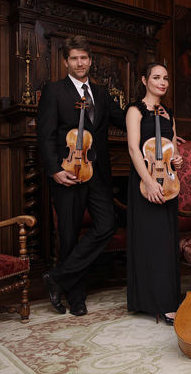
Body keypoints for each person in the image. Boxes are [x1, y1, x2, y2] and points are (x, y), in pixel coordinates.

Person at [37, 35, 126, 316]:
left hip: (97, 173)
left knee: (106, 225)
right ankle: (76, 297)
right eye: (74, 58)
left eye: (84, 58)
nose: (79, 62)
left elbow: (125, 120)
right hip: (68, 172)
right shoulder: (54, 91)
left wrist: (157, 122)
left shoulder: (101, 93)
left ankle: (59, 276)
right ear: (66, 61)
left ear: (90, 61)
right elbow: (45, 135)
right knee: (69, 234)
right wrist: (54, 170)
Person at [125, 62, 183, 325]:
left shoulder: (168, 113)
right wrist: (148, 183)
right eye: (157, 77)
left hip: (168, 182)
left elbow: (173, 148)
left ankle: (169, 297)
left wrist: (178, 159)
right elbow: (135, 150)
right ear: (144, 79)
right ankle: (154, 302)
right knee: (151, 241)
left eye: (166, 78)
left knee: (167, 241)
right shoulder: (135, 111)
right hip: (145, 182)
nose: (162, 82)